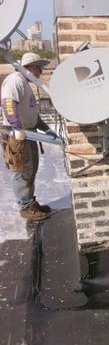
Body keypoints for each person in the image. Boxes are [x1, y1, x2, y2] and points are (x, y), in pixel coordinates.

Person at [1, 52, 57, 221]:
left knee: (31, 169)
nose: (40, 72)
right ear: (31, 67)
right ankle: (25, 207)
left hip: (29, 133)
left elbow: (32, 113)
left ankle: (30, 202)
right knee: (22, 171)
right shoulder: (15, 80)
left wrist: (45, 128)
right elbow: (8, 104)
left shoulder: (25, 83)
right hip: (16, 134)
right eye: (39, 68)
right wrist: (17, 128)